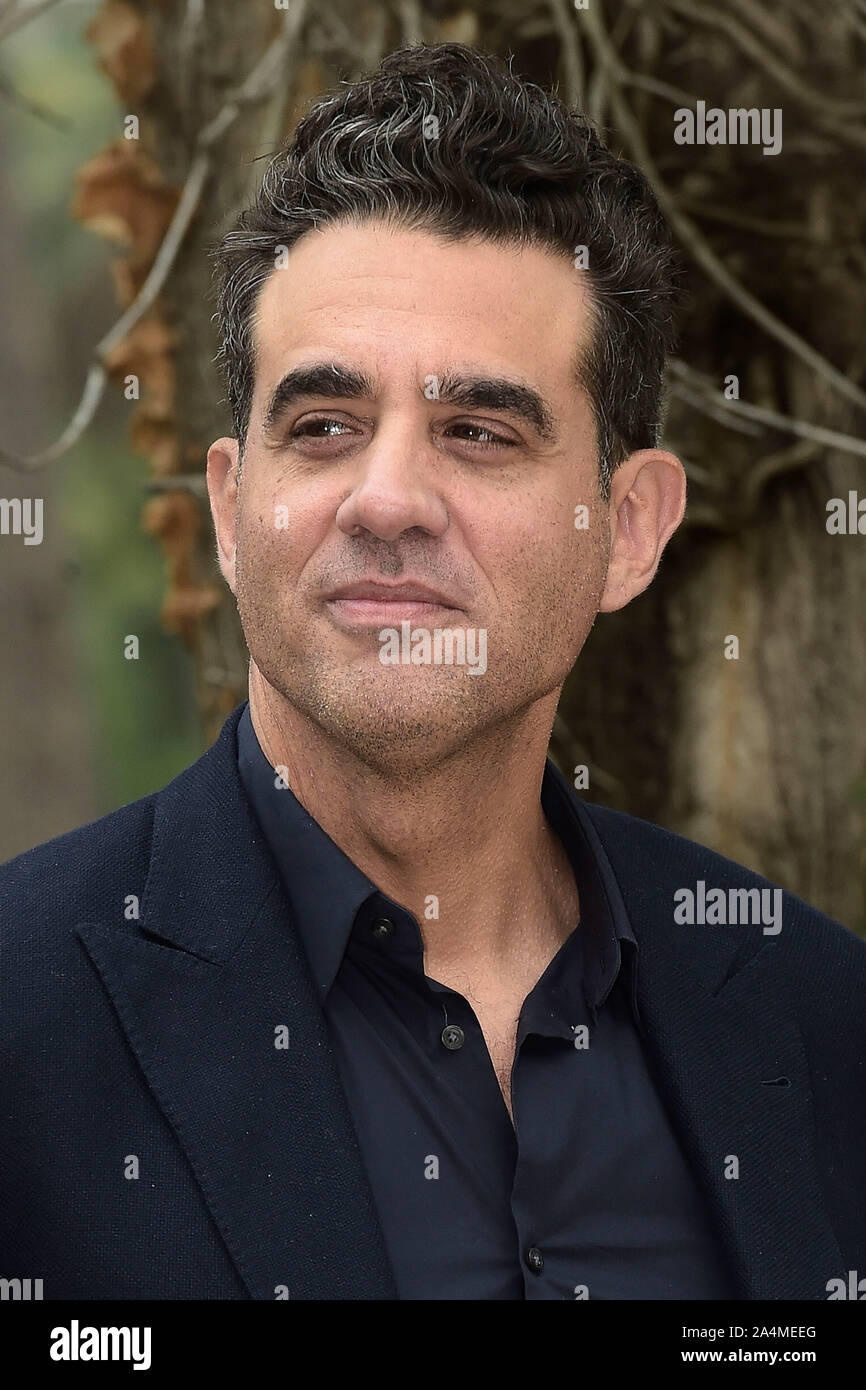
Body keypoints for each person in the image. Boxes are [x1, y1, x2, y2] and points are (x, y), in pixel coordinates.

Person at [1, 42, 863, 1302]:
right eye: (323, 426)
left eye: (477, 430)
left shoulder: (816, 1011)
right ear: (232, 516)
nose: (388, 497)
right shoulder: (22, 1016)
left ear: (627, 528)